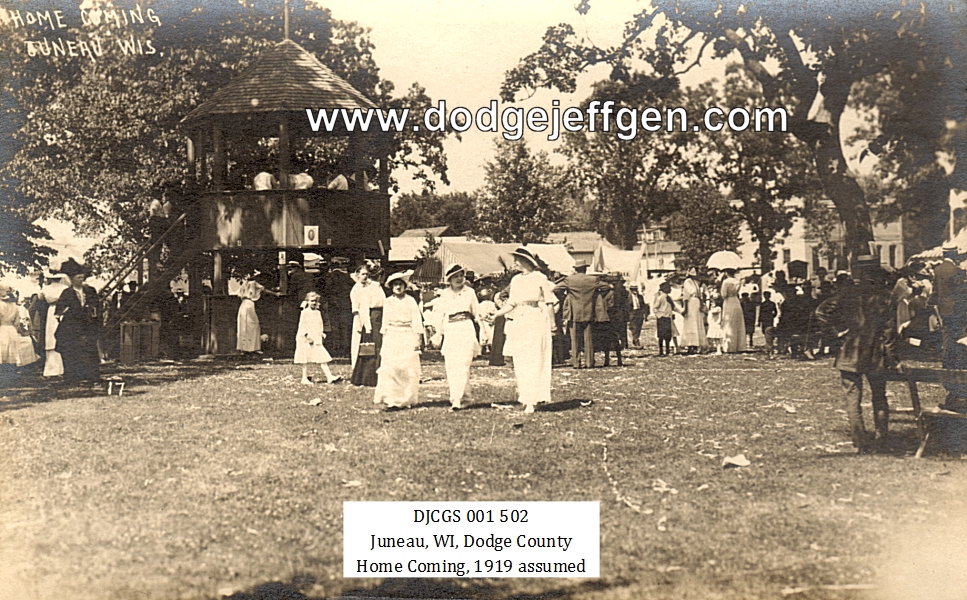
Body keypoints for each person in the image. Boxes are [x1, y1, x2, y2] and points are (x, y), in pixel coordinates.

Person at [816, 255, 897, 453]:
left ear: (859, 271)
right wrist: (893, 359)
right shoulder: (886, 296)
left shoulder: (847, 293)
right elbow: (889, 334)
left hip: (850, 352)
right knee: (879, 396)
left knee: (853, 399)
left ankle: (860, 442)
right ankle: (882, 439)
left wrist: (836, 333)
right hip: (875, 354)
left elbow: (821, 312)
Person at [489, 248, 557, 413]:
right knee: (521, 360)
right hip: (520, 321)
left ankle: (534, 398)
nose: (515, 263)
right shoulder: (516, 280)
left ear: (526, 261)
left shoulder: (540, 278)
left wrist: (553, 324)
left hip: (536, 319)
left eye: (517, 260)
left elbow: (549, 302)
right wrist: (496, 314)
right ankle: (526, 396)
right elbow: (511, 303)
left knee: (535, 358)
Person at [430, 265, 481, 410]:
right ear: (450, 279)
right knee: (452, 365)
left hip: (466, 328)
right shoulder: (445, 294)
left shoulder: (470, 292)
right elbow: (440, 315)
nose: (459, 279)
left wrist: (483, 332)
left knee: (464, 364)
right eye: (455, 276)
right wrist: (438, 333)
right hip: (451, 330)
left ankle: (459, 399)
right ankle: (461, 397)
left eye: (461, 276)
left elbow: (477, 313)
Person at [374, 271, 424, 410]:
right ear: (391, 287)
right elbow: (385, 321)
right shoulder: (388, 301)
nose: (398, 287)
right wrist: (385, 338)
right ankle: (392, 398)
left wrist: (417, 338)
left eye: (400, 284)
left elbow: (416, 320)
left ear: (405, 286)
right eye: (395, 284)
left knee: (407, 367)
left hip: (407, 334)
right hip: (392, 335)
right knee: (391, 367)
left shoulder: (410, 300)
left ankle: (406, 398)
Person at [54, 259, 101, 384]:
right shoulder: (67, 293)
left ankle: (91, 376)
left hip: (88, 325)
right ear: (71, 279)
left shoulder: (90, 291)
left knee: (89, 350)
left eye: (82, 277)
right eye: (78, 277)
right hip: (72, 327)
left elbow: (97, 306)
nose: (81, 280)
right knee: (73, 351)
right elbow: (59, 311)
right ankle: (73, 377)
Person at [555, 259, 608, 368]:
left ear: (576, 269)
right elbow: (607, 286)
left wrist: (567, 296)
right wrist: (595, 294)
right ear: (585, 269)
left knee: (575, 340)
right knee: (588, 339)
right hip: (589, 312)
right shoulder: (593, 279)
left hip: (574, 313)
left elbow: (556, 288)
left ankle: (576, 363)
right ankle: (589, 362)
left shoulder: (569, 280)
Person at [933, 245, 967, 406]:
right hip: (958, 313)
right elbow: (962, 293)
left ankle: (948, 372)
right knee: (960, 344)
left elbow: (935, 293)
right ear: (954, 255)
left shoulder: (938, 270)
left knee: (948, 343)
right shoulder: (956, 271)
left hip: (944, 311)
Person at [349, 264, 385, 386]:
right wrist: (363, 323)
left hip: (375, 316)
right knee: (366, 345)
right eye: (363, 274)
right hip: (363, 317)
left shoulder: (373, 286)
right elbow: (359, 308)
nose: (365, 277)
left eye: (367, 274)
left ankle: (377, 372)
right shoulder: (357, 289)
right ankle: (365, 375)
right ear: (358, 275)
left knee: (377, 344)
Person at [294, 292, 340, 385]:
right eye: (311, 301)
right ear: (307, 301)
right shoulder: (305, 312)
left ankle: (329, 377)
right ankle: (304, 378)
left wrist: (321, 333)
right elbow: (302, 325)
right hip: (305, 338)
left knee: (322, 357)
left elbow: (318, 324)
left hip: (315, 338)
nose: (313, 303)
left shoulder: (317, 312)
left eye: (315, 301)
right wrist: (307, 336)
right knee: (304, 358)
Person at [236, 273, 281, 356]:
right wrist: (275, 294)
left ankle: (244, 348)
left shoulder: (244, 284)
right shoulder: (253, 283)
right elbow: (264, 289)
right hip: (249, 304)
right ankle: (253, 348)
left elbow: (239, 294)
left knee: (244, 326)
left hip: (243, 305)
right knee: (253, 325)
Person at [0, 285, 39, 378]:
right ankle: (11, 375)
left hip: (2, 330)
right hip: (12, 330)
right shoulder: (14, 306)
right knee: (11, 353)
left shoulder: (0, 305)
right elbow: (17, 323)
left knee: (3, 352)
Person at [678, 267, 707, 354]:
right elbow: (686, 296)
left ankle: (696, 345)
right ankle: (691, 344)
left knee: (697, 323)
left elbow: (700, 295)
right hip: (690, 303)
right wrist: (685, 308)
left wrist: (701, 304)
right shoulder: (687, 282)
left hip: (696, 304)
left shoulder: (695, 282)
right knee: (691, 323)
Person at [719, 268, 748, 353]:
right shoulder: (737, 281)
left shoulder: (726, 282)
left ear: (726, 273)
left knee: (729, 323)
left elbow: (724, 294)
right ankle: (740, 346)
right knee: (737, 323)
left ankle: (730, 347)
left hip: (729, 302)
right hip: (736, 301)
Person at [653, 281, 674, 356]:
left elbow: (672, 307)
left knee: (668, 335)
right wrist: (659, 315)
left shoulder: (669, 298)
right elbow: (655, 308)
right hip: (662, 318)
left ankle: (667, 350)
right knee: (661, 336)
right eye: (668, 288)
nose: (670, 289)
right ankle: (661, 351)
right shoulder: (661, 298)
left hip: (668, 317)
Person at [759, 291, 779, 359]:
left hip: (768, 320)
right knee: (765, 332)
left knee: (768, 332)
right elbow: (760, 313)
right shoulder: (764, 304)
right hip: (766, 320)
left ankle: (769, 347)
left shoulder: (770, 304)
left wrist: (772, 316)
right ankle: (769, 346)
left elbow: (775, 312)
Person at [627, 284, 647, 349]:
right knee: (634, 327)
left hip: (639, 313)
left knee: (638, 327)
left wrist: (643, 313)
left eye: (635, 289)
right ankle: (636, 341)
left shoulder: (640, 296)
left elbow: (643, 305)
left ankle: (636, 338)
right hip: (632, 312)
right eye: (633, 289)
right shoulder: (628, 297)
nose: (634, 290)